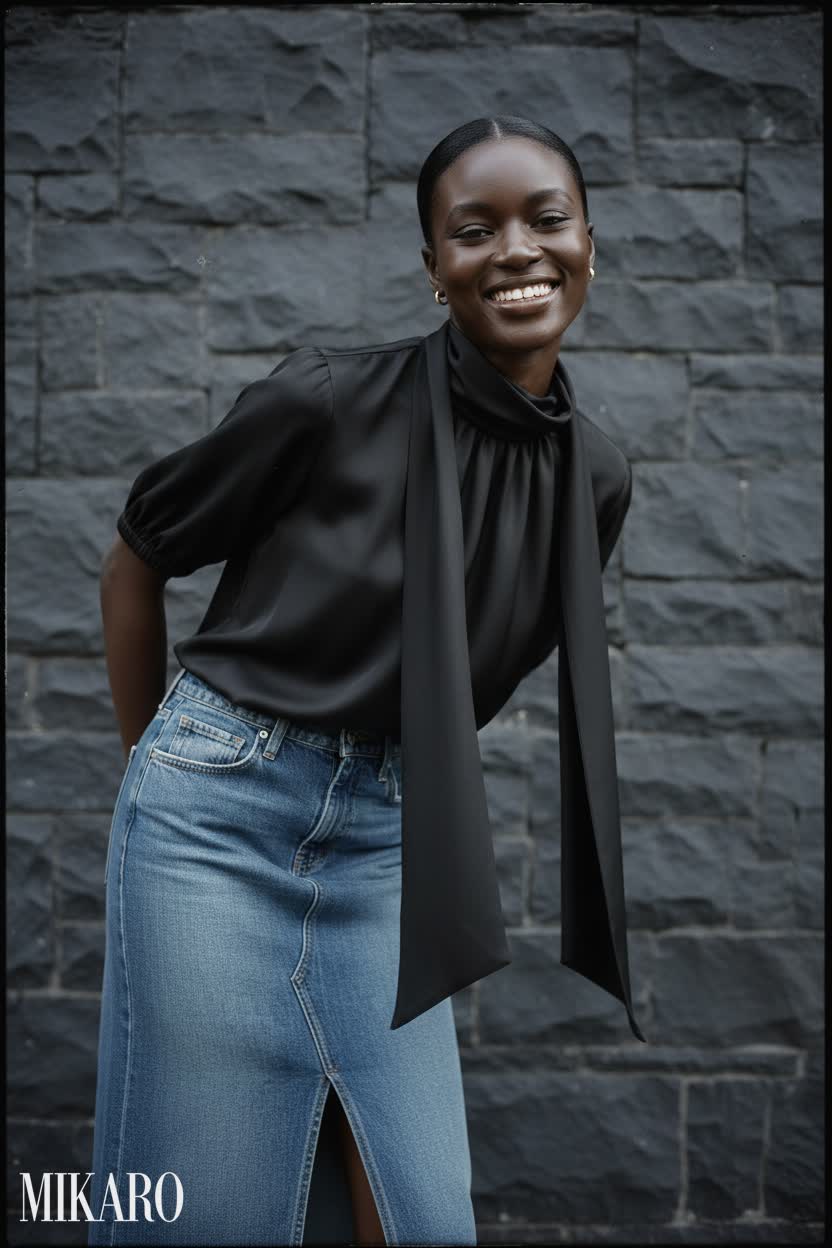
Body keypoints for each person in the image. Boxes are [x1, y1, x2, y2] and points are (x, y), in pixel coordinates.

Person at [89, 114, 642, 1248]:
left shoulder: (593, 478)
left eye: (545, 219)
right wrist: (156, 771)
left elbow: (470, 675)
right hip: (214, 820)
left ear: (591, 240)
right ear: (435, 270)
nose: (516, 250)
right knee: (209, 1213)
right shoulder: (326, 400)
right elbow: (139, 552)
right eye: (472, 230)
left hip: (388, 840)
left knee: (423, 1214)